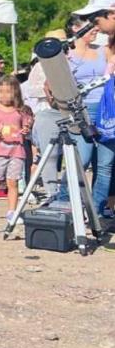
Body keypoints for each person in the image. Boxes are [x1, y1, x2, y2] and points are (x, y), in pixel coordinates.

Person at [66, 15, 115, 218]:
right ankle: (67, 205)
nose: (95, 29)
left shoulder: (103, 50)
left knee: (105, 166)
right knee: (81, 161)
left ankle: (96, 213)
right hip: (83, 111)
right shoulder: (67, 55)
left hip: (107, 111)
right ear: (75, 28)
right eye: (89, 26)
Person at [0, 76, 32, 222]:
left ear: (16, 92)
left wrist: (26, 129)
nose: (4, 95)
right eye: (0, 91)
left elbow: (27, 125)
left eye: (8, 91)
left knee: (12, 182)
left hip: (17, 151)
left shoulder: (21, 110)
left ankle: (12, 211)